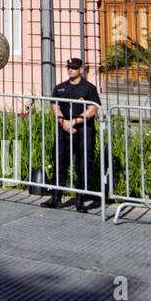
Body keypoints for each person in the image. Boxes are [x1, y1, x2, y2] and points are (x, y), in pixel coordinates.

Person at [45, 57, 102, 212]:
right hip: (64, 130)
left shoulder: (89, 88)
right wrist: (64, 122)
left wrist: (74, 122)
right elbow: (55, 105)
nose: (71, 70)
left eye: (74, 67)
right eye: (69, 67)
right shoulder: (60, 88)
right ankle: (56, 198)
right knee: (60, 161)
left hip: (84, 131)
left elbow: (92, 110)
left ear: (81, 70)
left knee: (83, 164)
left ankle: (81, 201)